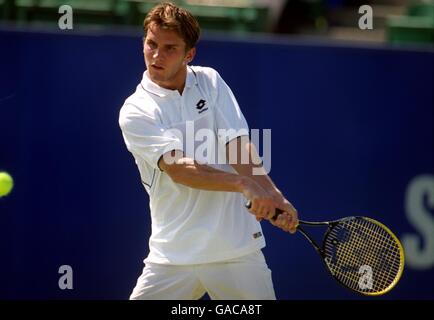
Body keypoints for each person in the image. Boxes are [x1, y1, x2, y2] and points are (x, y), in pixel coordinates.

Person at [118, 2, 298, 300]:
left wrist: (273, 194)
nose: (156, 55)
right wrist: (243, 184)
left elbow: (237, 146)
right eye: (151, 44)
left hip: (236, 252)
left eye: (169, 48)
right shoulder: (136, 111)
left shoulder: (211, 82)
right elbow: (179, 169)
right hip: (173, 255)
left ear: (189, 54)